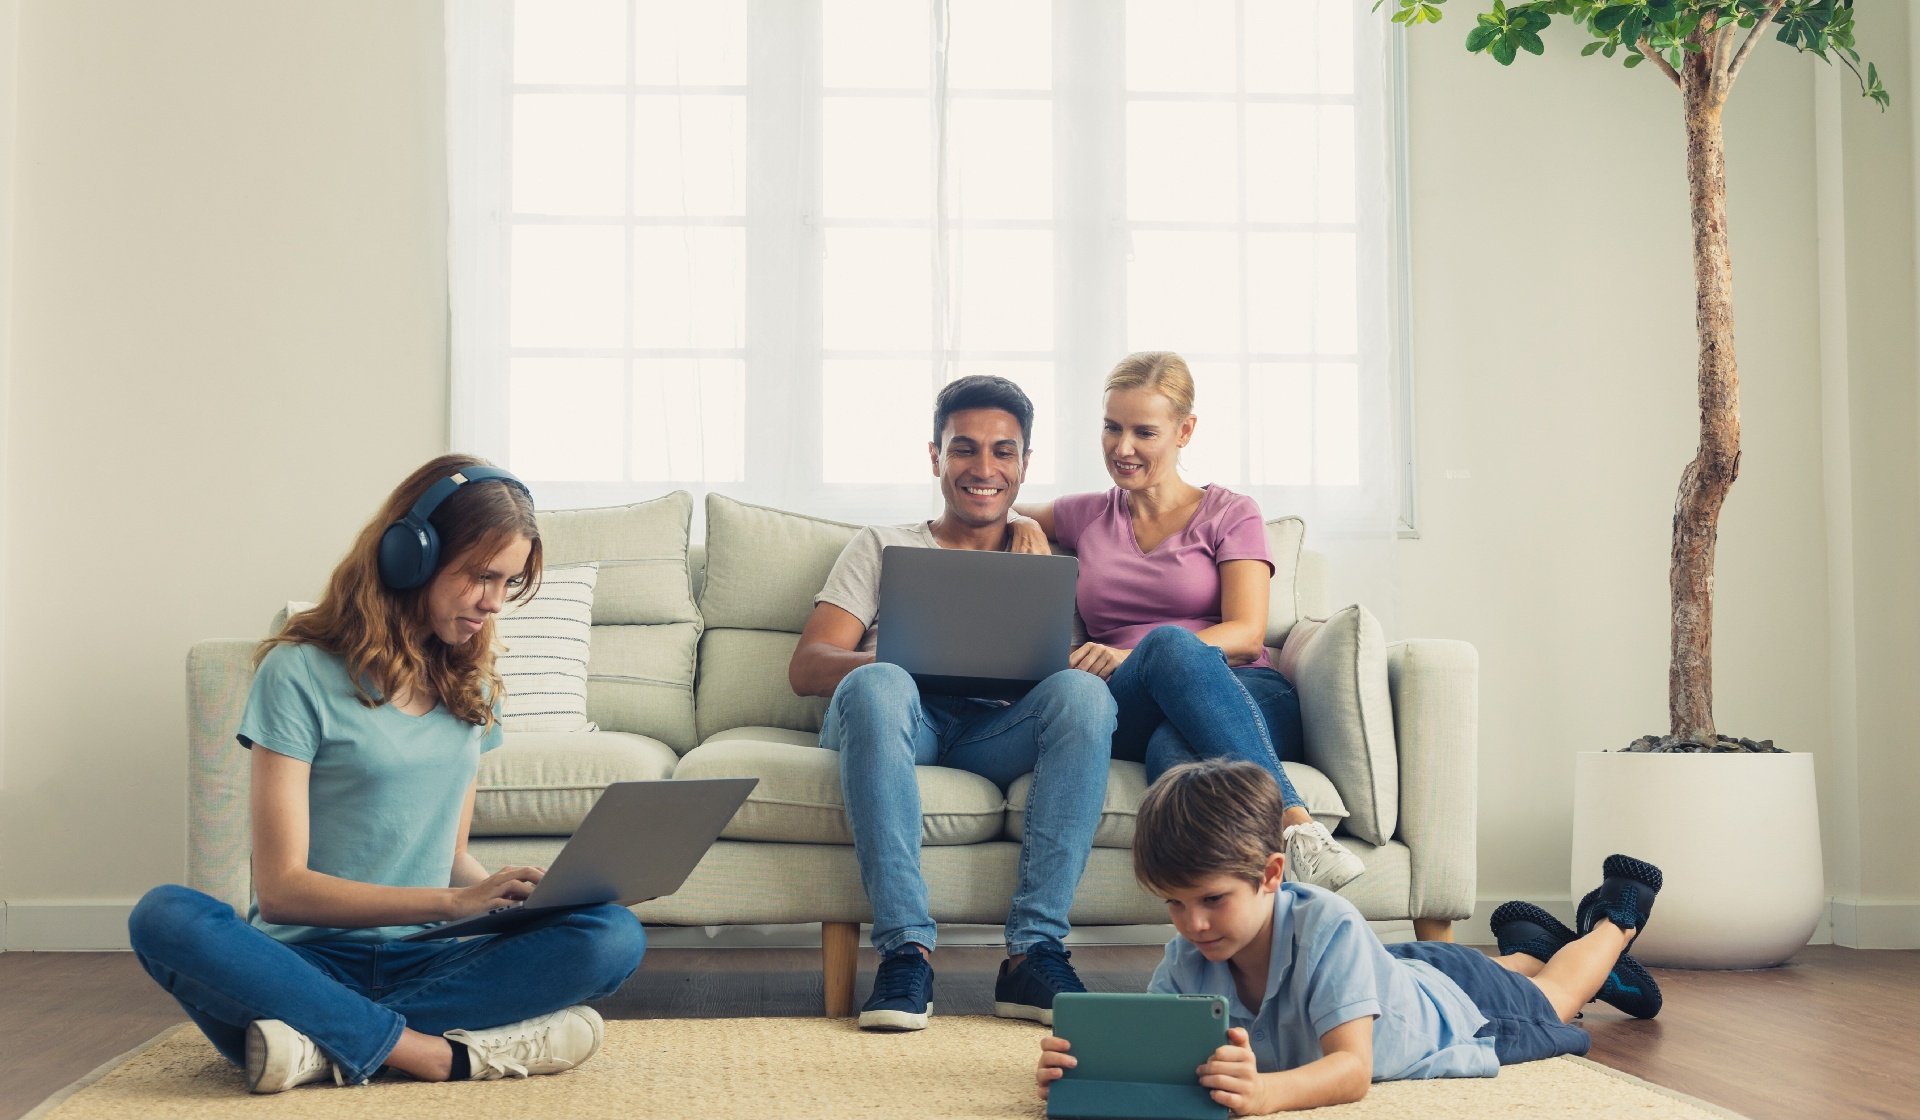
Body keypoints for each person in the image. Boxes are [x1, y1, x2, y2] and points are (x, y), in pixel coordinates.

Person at [128, 455, 646, 1093]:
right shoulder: (297, 674)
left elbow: (451, 854)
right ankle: (436, 1055)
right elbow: (284, 889)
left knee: (612, 935)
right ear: (413, 558)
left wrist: (510, 905)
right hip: (301, 960)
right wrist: (455, 904)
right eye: (481, 576)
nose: (493, 602)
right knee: (164, 916)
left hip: (428, 959)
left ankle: (321, 1046)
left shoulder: (475, 685)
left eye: (508, 583)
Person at [1036, 760, 1664, 1115]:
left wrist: (1266, 1094)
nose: (1192, 923)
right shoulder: (1188, 956)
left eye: (1212, 901)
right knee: (1511, 977)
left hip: (1453, 1006)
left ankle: (1615, 918)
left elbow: (1352, 1072)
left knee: (1553, 999)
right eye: (1174, 904)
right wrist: (1087, 1067)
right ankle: (1532, 945)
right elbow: (1158, 1061)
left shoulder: (1327, 924)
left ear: (1271, 875)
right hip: (1395, 972)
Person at [790, 375, 1118, 1033]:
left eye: (1003, 452)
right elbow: (809, 667)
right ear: (935, 456)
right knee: (879, 684)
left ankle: (1034, 951)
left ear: (1026, 465)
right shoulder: (882, 546)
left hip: (996, 730)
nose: (983, 468)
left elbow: (1063, 681)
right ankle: (905, 952)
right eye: (964, 448)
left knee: (1084, 695)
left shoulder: (1050, 560)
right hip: (899, 723)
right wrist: (906, 659)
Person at [1011, 351, 1364, 890]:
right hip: (1126, 701)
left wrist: (1136, 654)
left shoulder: (1229, 513)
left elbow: (1247, 636)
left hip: (1240, 690)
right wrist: (1024, 527)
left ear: (1185, 431)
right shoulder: (1087, 514)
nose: (1122, 448)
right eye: (1111, 428)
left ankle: (1254, 903)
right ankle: (1296, 835)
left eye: (1143, 432)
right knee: (1166, 665)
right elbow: (994, 503)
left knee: (1172, 746)